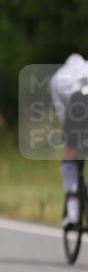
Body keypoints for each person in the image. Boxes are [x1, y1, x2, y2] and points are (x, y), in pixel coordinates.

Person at [50, 53, 88, 227]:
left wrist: (71, 134)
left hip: (78, 101)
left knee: (70, 150)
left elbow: (63, 115)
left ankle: (72, 210)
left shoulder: (57, 77)